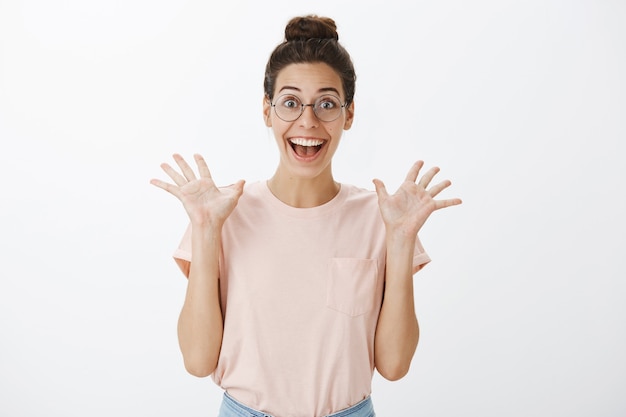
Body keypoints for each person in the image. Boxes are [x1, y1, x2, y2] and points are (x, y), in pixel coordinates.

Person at [151, 15, 461, 417]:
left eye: (327, 103)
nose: (308, 121)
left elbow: (395, 365)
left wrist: (400, 242)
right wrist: (206, 230)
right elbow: (197, 360)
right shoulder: (222, 213)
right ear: (268, 110)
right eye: (291, 102)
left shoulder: (381, 217)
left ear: (349, 115)